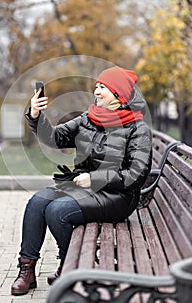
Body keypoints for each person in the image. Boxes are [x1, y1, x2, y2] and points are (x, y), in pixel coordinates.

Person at [11, 66, 152, 296]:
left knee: (57, 211)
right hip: (83, 186)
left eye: (102, 87)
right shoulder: (88, 118)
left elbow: (135, 175)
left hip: (117, 196)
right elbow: (55, 138)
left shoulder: (138, 129)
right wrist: (36, 116)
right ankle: (26, 270)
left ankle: (69, 267)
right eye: (96, 86)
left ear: (118, 94)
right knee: (37, 202)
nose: (96, 91)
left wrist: (95, 179)